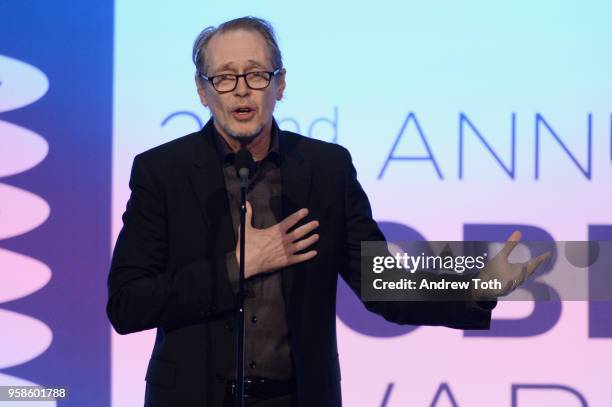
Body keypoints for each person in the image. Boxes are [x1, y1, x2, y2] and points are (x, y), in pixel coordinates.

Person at [106, 16, 549, 407]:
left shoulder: (326, 169)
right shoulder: (162, 172)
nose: (241, 89)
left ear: (280, 84)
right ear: (203, 91)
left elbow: (381, 284)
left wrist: (476, 288)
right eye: (224, 77)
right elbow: (127, 304)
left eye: (256, 74)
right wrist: (236, 267)